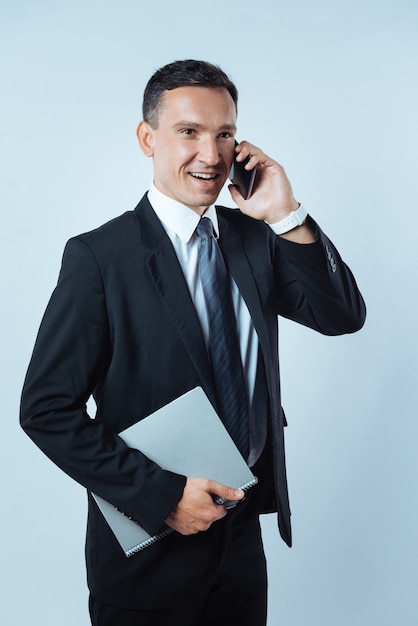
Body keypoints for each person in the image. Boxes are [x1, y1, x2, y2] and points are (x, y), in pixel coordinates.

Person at [20, 59, 366, 626]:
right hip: (148, 548)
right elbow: (46, 410)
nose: (211, 154)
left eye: (225, 134)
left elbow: (342, 316)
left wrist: (286, 213)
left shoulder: (256, 240)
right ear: (147, 137)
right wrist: (161, 498)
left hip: (242, 544)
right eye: (189, 132)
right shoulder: (99, 258)